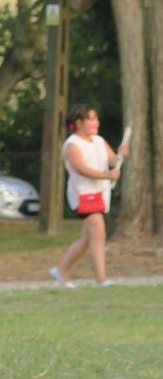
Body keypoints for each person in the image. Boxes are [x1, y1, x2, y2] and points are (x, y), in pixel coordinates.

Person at [50, 105, 127, 288]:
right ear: (79, 123)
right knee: (98, 234)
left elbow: (112, 161)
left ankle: (61, 270)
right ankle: (101, 279)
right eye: (91, 119)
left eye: (96, 119)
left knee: (88, 239)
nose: (96, 123)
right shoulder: (72, 145)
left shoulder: (99, 140)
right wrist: (108, 175)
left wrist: (121, 156)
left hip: (100, 194)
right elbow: (81, 169)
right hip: (83, 195)